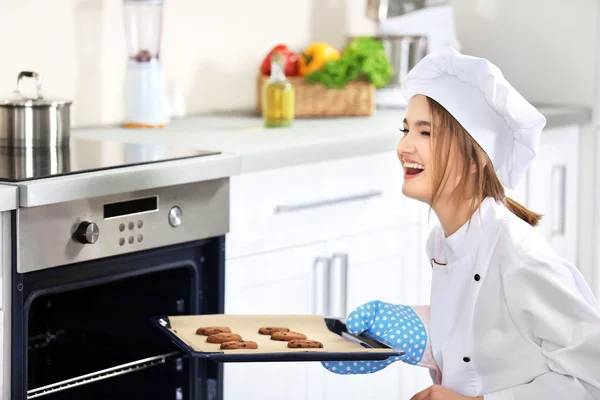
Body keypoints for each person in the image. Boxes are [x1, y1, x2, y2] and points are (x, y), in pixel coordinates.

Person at [322, 47, 600, 399]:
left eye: (426, 133)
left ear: (475, 158)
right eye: (405, 129)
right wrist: (419, 336)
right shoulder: (443, 241)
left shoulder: (518, 255)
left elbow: (593, 378)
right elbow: (488, 338)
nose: (404, 146)